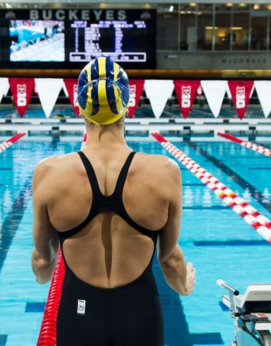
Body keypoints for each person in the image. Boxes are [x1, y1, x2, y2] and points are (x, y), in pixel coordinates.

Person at [31, 57, 195, 346]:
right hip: (141, 314)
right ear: (127, 105)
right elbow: (170, 260)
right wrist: (185, 283)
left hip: (78, 314)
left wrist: (40, 266)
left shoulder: (49, 174)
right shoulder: (164, 172)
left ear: (79, 107)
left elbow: (44, 264)